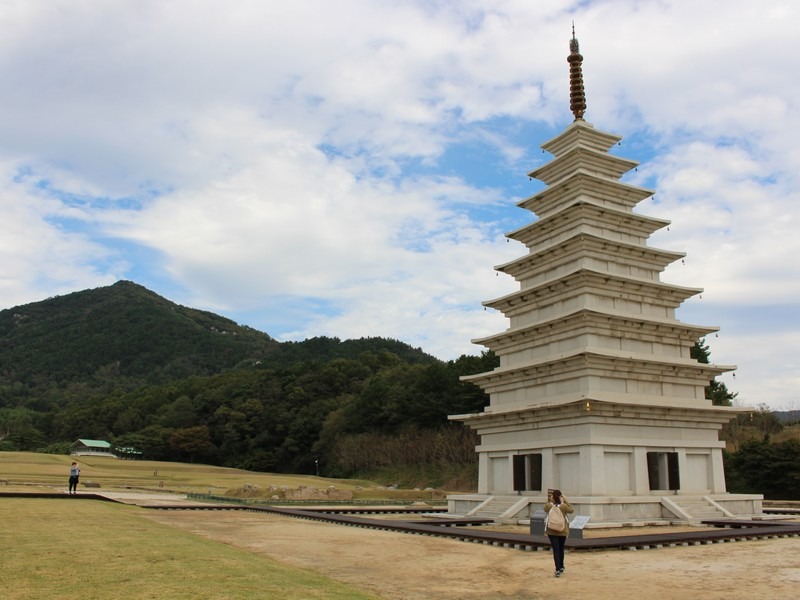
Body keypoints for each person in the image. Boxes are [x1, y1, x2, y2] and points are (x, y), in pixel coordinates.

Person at [544, 489, 574, 577]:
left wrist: (550, 500)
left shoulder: (549, 506)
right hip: (562, 530)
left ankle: (557, 569)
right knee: (561, 548)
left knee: (556, 549)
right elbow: (571, 510)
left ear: (552, 497)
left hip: (551, 530)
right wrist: (565, 500)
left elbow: (545, 508)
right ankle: (561, 566)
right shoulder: (563, 506)